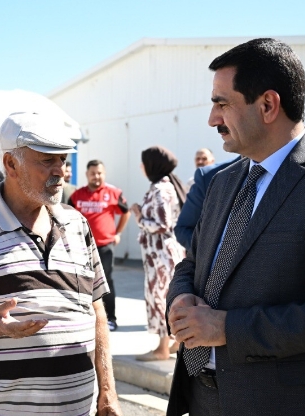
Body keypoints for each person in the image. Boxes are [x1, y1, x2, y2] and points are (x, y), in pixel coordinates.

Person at [166, 38, 305, 416]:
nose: (212, 119)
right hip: (203, 399)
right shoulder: (223, 182)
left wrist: (227, 328)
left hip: (288, 403)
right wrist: (181, 296)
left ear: (268, 105)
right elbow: (193, 262)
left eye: (222, 103)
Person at [0, 111, 122, 416]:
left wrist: (108, 391)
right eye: (47, 160)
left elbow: (96, 308)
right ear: (11, 164)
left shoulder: (78, 224)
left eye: (63, 160)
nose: (60, 171)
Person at [129, 146, 187, 361]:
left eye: (144, 163)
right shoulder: (164, 187)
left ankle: (162, 348)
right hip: (162, 253)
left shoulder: (161, 190)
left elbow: (162, 224)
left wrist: (138, 216)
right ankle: (174, 342)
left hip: (160, 255)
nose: (141, 167)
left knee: (159, 297)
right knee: (165, 296)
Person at [69, 160, 131, 331]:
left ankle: (110, 318)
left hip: (104, 246)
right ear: (86, 174)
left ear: (104, 174)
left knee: (106, 282)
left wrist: (117, 233)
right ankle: (85, 318)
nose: (96, 176)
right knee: (81, 282)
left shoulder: (113, 193)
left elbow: (126, 213)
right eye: (93, 173)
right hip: (81, 247)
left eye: (99, 173)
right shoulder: (77, 195)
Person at [175, 157, 240, 250]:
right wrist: (210, 254)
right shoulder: (209, 176)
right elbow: (184, 229)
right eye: (197, 158)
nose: (200, 161)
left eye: (204, 158)